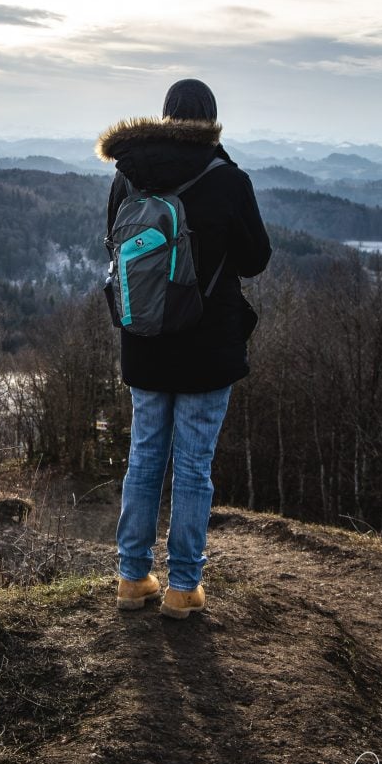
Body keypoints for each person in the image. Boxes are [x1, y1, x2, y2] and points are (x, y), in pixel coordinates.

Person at [96, 78, 271, 618]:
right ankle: (182, 588)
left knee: (144, 458)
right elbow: (255, 258)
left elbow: (115, 246)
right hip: (207, 345)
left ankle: (131, 578)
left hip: (145, 340)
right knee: (193, 466)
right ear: (212, 120)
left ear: (165, 116)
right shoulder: (228, 179)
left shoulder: (130, 178)